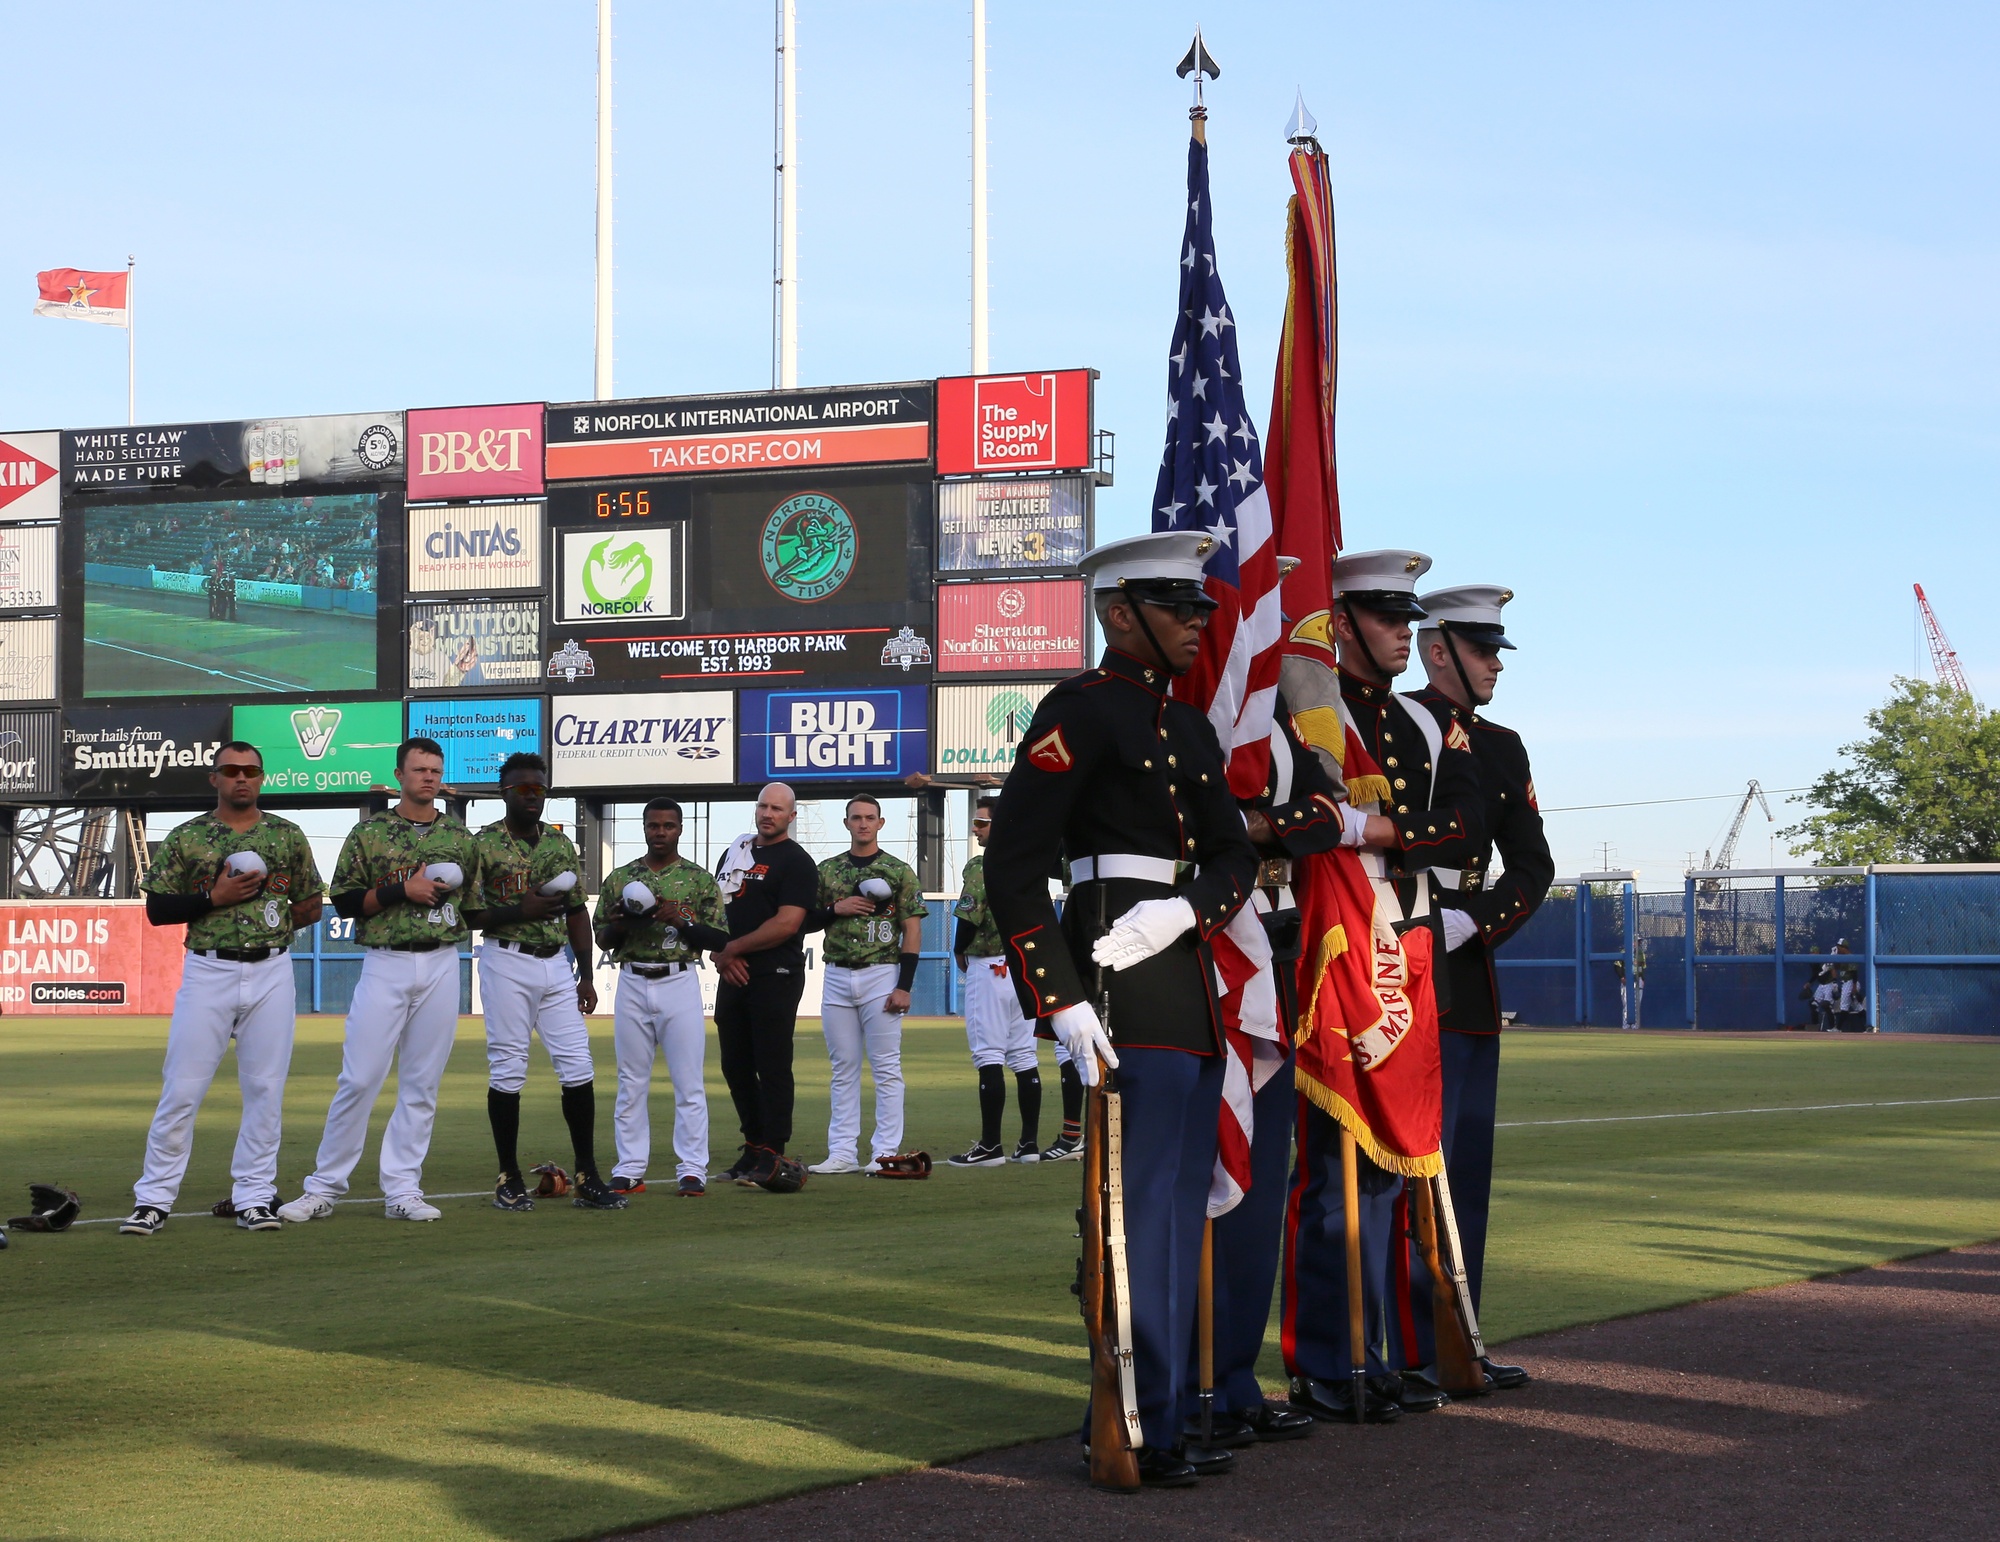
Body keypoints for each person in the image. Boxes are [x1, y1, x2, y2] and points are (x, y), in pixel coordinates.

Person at [985, 529, 1259, 1488]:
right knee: (1133, 1213)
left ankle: (1173, 1413)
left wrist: (1190, 906)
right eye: (1178, 608)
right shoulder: (1081, 712)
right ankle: (1131, 1418)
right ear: (1117, 612)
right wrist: (1055, 997)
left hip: (1182, 983)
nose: (1197, 623)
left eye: (1199, 609)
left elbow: (1235, 851)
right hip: (1110, 980)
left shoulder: (1187, 728)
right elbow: (1012, 865)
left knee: (1180, 1212)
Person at [1283, 550, 1484, 1422]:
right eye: (1389, 616)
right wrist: (1377, 833)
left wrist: (1378, 828)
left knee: (1392, 1170)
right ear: (1343, 623)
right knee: (1332, 1174)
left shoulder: (1410, 723)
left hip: (1399, 941)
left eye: (1408, 616)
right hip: (1331, 944)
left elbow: (1463, 831)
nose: (1407, 630)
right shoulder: (1306, 711)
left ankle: (1385, 1352)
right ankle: (1327, 1359)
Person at [1187, 628, 1351, 1445]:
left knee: (1263, 1168)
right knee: (1211, 1174)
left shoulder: (1286, 726)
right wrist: (1263, 827)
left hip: (1277, 959)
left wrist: (1259, 825)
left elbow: (1327, 811)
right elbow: (1197, 822)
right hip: (1210, 960)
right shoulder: (1195, 717)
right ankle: (1191, 1376)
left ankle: (1239, 1375)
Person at [1397, 582, 1552, 1393]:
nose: (1496, 664)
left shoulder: (1502, 746)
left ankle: (1458, 1337)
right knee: (1393, 1172)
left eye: (1497, 650)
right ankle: (1393, 1351)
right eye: (1483, 649)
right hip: (1386, 966)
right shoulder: (1388, 727)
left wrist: (1474, 923)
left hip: (1461, 971)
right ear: (1436, 648)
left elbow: (1533, 863)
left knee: (1464, 1172)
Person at [119, 742, 324, 1236]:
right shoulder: (189, 836)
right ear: (215, 778)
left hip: (272, 971)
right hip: (209, 970)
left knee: (265, 1091)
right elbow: (158, 910)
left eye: (251, 771)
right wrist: (215, 898)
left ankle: (254, 1196)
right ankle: (154, 1199)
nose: (241, 778)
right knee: (182, 1090)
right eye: (231, 770)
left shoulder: (286, 834)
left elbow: (312, 902)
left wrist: (278, 921)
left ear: (262, 778)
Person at [278, 738, 480, 1224]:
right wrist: (400, 888)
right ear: (400, 774)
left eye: (435, 770)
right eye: (419, 769)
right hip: (386, 961)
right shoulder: (370, 832)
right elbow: (345, 902)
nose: (428, 777)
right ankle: (324, 1187)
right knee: (360, 1077)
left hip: (440, 961)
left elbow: (473, 904)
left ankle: (403, 1189)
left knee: (422, 1083)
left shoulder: (459, 836)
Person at [463, 753, 625, 1213]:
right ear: (504, 792)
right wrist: (520, 910)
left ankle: (588, 1175)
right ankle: (508, 1176)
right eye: (522, 789)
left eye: (539, 788)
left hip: (556, 965)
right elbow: (470, 913)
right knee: (509, 1068)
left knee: (579, 1067)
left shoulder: (558, 844)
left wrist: (587, 975)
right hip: (505, 959)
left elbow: (577, 912)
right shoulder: (484, 843)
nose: (532, 796)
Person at [597, 798, 731, 1198]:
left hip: (679, 981)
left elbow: (720, 939)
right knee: (630, 1081)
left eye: (668, 826)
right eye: (653, 825)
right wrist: (621, 923)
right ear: (643, 828)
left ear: (680, 829)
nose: (660, 832)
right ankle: (630, 1167)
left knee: (688, 1082)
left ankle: (692, 1169)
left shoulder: (697, 879)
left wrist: (681, 918)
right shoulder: (621, 877)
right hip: (633, 979)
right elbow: (602, 938)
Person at [806, 795, 928, 1174]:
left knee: (886, 1067)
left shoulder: (898, 870)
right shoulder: (827, 870)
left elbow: (912, 930)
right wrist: (834, 909)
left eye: (869, 818)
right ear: (846, 823)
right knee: (842, 1068)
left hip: (881, 972)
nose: (863, 823)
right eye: (856, 818)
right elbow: (803, 920)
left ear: (880, 823)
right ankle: (841, 1152)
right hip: (838, 972)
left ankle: (883, 1152)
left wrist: (904, 985)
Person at [710, 783, 819, 1187]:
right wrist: (721, 953)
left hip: (776, 974)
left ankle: (774, 1152)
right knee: (734, 1065)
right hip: (733, 973)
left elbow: (787, 924)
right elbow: (716, 910)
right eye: (762, 806)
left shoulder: (797, 862)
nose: (767, 813)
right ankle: (753, 1146)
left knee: (772, 1065)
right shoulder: (735, 852)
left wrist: (731, 950)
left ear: (791, 816)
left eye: (776, 808)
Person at [948, 795, 1046, 1166]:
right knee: (1023, 1056)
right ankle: (1029, 1145)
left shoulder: (981, 864)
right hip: (1024, 966)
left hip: (989, 966)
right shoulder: (1030, 860)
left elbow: (970, 914)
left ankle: (990, 1146)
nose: (976, 828)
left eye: (982, 823)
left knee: (988, 1054)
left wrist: (959, 950)